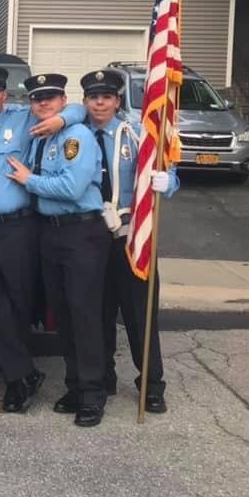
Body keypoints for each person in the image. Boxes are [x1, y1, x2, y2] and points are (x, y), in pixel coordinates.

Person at [0, 66, 85, 413]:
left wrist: (63, 121)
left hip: (19, 226)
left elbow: (73, 111)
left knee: (19, 303)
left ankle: (17, 378)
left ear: (5, 94)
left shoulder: (22, 120)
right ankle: (23, 373)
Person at [7, 73, 110, 427]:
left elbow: (71, 186)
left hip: (81, 233)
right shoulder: (40, 135)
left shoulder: (76, 134)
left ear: (63, 101)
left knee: (84, 315)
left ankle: (93, 394)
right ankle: (75, 386)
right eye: (37, 99)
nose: (43, 104)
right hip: (49, 234)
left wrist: (28, 180)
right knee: (63, 316)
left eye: (50, 98)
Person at [81, 69, 178, 413]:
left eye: (106, 97)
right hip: (92, 236)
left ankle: (151, 383)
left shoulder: (137, 133)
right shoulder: (77, 136)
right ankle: (104, 375)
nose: (100, 103)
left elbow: (166, 171)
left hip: (130, 236)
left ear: (117, 101)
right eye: (93, 97)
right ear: (85, 101)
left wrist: (168, 181)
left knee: (140, 314)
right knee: (99, 312)